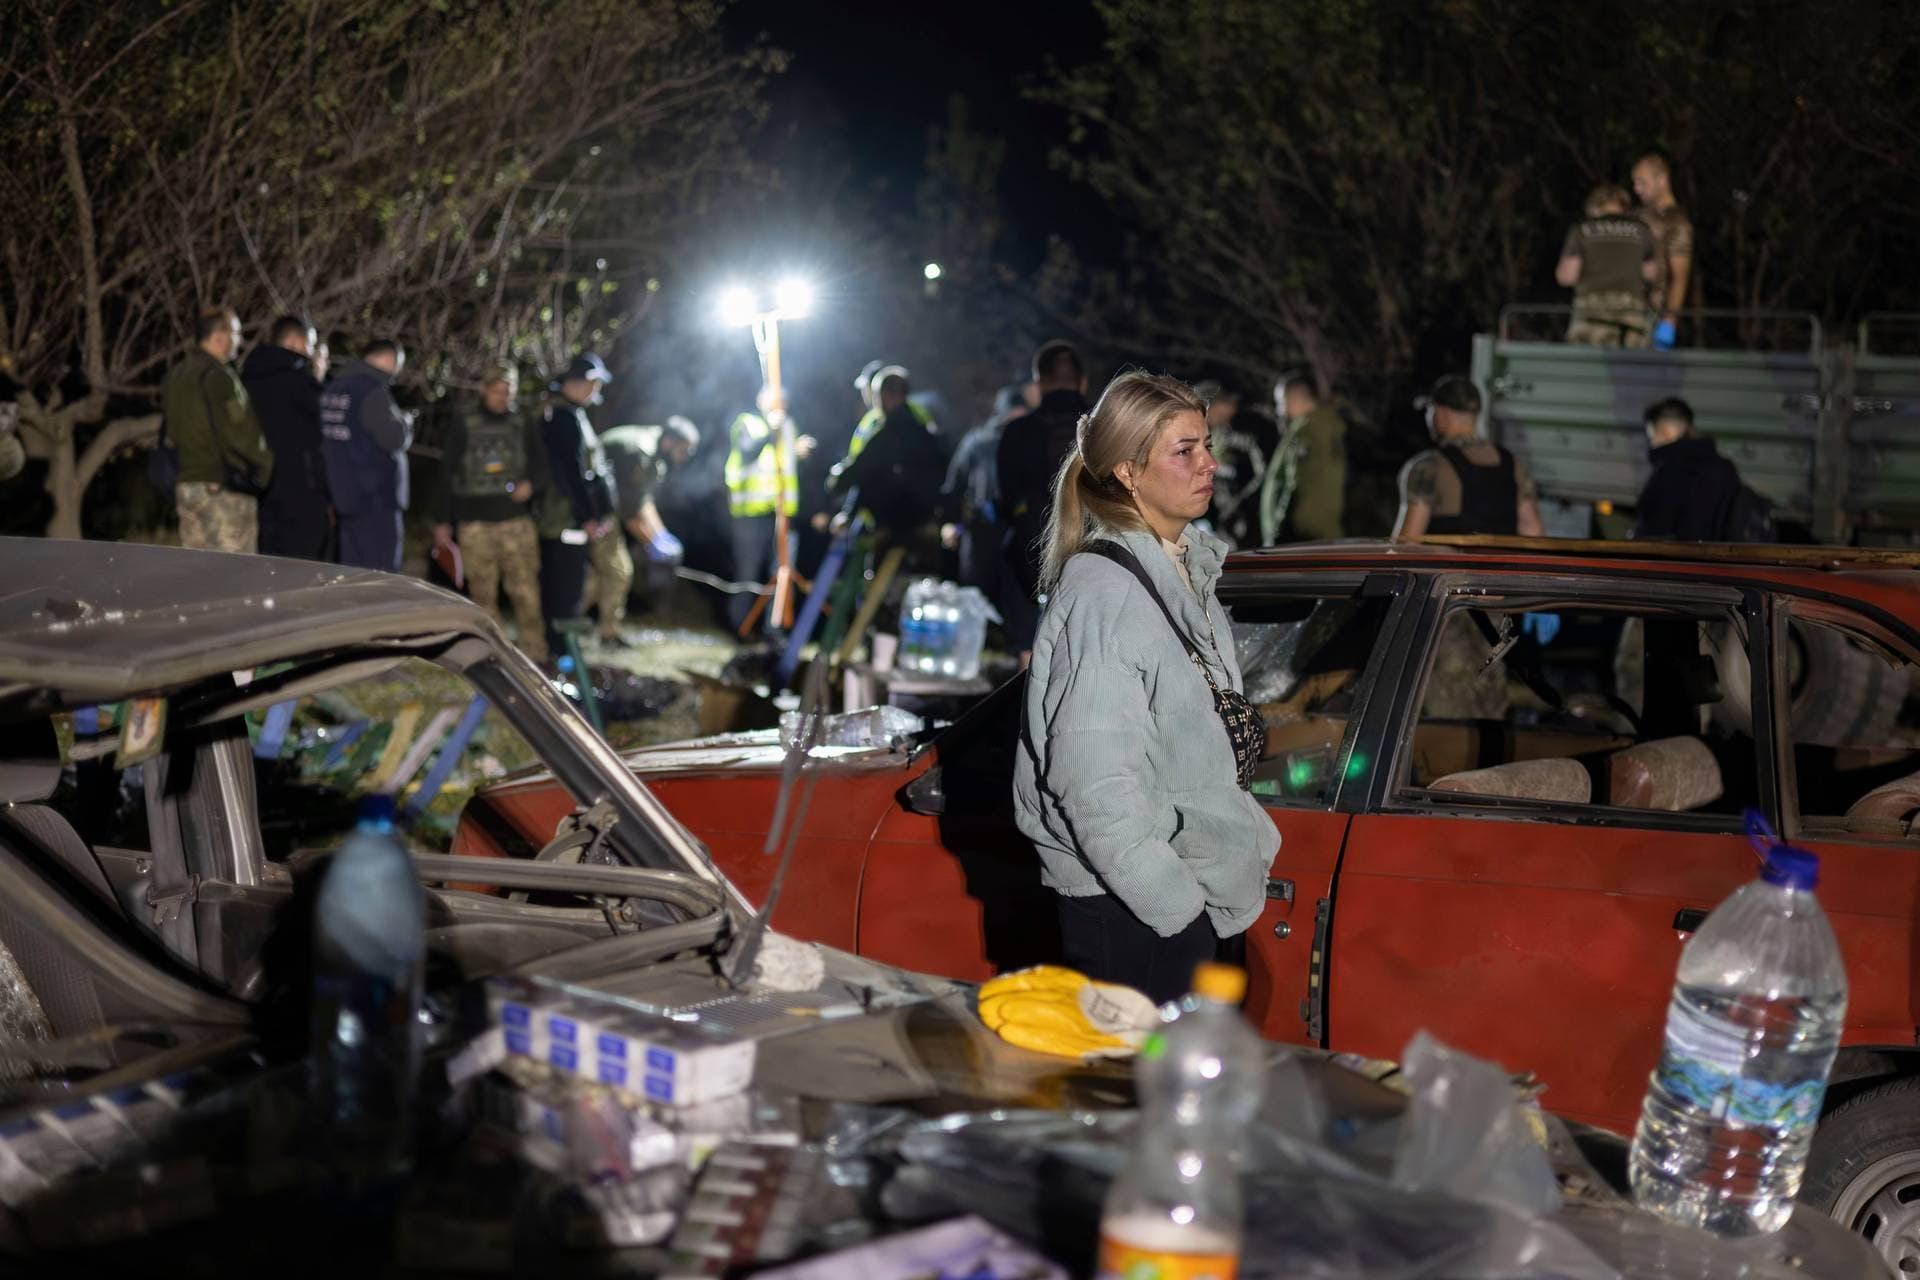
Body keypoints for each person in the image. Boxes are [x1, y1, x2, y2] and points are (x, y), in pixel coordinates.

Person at [1011, 372, 1275, 1004]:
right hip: (1137, 914)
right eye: (1185, 451)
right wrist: (1177, 910)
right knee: (1139, 1092)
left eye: (1207, 445)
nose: (1209, 465)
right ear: (1128, 472)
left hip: (1190, 900)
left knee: (1188, 1090)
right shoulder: (1105, 595)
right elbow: (1095, 785)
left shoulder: (1183, 567)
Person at [435, 368, 549, 662]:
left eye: (508, 390)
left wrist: (531, 485)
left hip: (515, 520)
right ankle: (495, 659)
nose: (503, 397)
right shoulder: (465, 422)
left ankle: (536, 657)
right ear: (484, 390)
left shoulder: (523, 421)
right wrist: (442, 520)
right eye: (497, 390)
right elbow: (447, 472)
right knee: (483, 596)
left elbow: (542, 465)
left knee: (526, 594)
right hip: (474, 523)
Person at [997, 339, 1093, 657]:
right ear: (1083, 382)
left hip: (1033, 559)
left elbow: (1007, 501)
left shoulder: (1017, 433)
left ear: (1038, 384)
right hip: (1100, 559)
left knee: (1031, 647)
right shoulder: (1107, 430)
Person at [162, 306, 274, 553]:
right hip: (221, 490)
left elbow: (170, 431)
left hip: (187, 487)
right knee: (236, 576)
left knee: (200, 575)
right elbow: (241, 433)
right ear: (219, 336)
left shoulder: (177, 374)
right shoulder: (220, 377)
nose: (239, 340)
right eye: (235, 333)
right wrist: (263, 469)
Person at [535, 353, 619, 656]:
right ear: (577, 383)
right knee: (564, 589)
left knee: (571, 587)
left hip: (568, 519)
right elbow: (570, 473)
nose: (596, 390)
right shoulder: (562, 418)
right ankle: (561, 657)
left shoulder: (571, 414)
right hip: (563, 522)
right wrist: (588, 516)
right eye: (594, 383)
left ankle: (562, 653)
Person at [1393, 375, 1545, 540]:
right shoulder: (1514, 465)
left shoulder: (1428, 467)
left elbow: (1408, 543)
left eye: (1430, 410)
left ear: (1442, 412)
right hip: (1500, 565)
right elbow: (1533, 531)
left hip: (1447, 566)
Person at [826, 366, 948, 567]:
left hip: (891, 529)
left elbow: (861, 472)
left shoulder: (885, 434)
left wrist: (836, 481)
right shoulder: (925, 430)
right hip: (925, 526)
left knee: (885, 594)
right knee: (923, 592)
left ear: (885, 396)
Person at [724, 385, 815, 633]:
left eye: (783, 400)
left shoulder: (788, 427)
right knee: (747, 575)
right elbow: (747, 453)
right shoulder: (747, 424)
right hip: (750, 515)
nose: (779, 405)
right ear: (760, 400)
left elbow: (787, 468)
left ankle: (773, 632)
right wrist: (770, 433)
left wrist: (797, 451)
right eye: (774, 400)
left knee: (783, 574)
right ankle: (739, 629)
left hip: (782, 514)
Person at [242, 314, 331, 560]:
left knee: (271, 566)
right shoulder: (300, 381)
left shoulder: (249, 378)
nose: (310, 353)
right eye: (309, 345)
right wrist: (317, 377)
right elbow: (324, 419)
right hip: (302, 491)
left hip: (263, 485)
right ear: (294, 341)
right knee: (305, 568)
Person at [320, 339, 413, 571]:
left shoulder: (334, 388)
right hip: (375, 501)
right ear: (388, 359)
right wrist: (406, 423)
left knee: (353, 573)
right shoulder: (371, 390)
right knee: (382, 576)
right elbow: (393, 438)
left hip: (345, 497)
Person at [596, 417, 699, 615]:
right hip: (591, 511)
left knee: (608, 571)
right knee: (618, 571)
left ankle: (598, 629)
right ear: (669, 442)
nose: (684, 457)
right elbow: (630, 510)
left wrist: (661, 535)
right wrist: (651, 542)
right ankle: (603, 633)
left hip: (606, 506)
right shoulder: (640, 451)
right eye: (683, 450)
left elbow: (643, 501)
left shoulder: (655, 448)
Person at [942, 381, 1032, 599]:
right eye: (1013, 416)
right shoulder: (977, 443)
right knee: (975, 599)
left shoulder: (1031, 443)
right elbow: (954, 487)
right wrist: (950, 523)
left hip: (1020, 535)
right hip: (980, 533)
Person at [1556, 185, 1658, 349]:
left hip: (1591, 309)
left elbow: (1567, 276)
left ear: (1594, 206)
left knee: (1588, 367)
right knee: (1632, 368)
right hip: (1632, 309)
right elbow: (1651, 274)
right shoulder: (1642, 230)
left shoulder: (1582, 230)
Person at [1633, 397, 1746, 541]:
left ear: (1666, 431)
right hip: (1717, 559)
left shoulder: (1669, 471)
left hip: (1678, 559)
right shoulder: (1725, 468)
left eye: (1653, 436)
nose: (1653, 443)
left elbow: (1653, 527)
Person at [1260, 372, 1347, 545]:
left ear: (1296, 397)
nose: (1280, 410)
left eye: (1281, 402)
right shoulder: (1320, 426)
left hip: (1304, 536)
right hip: (1312, 532)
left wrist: (1282, 528)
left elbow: (1299, 481)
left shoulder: (1308, 432)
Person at [1633, 152, 1694, 351]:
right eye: (1635, 183)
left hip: (1653, 314)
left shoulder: (1676, 222)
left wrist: (1669, 322)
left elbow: (1680, 277)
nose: (1637, 189)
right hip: (1629, 310)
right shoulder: (1639, 215)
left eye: (1642, 182)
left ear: (1662, 180)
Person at [1194, 381, 1257, 548]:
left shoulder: (1241, 432)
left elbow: (1257, 473)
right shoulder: (1217, 431)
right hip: (1217, 515)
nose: (1225, 423)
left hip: (1237, 516)